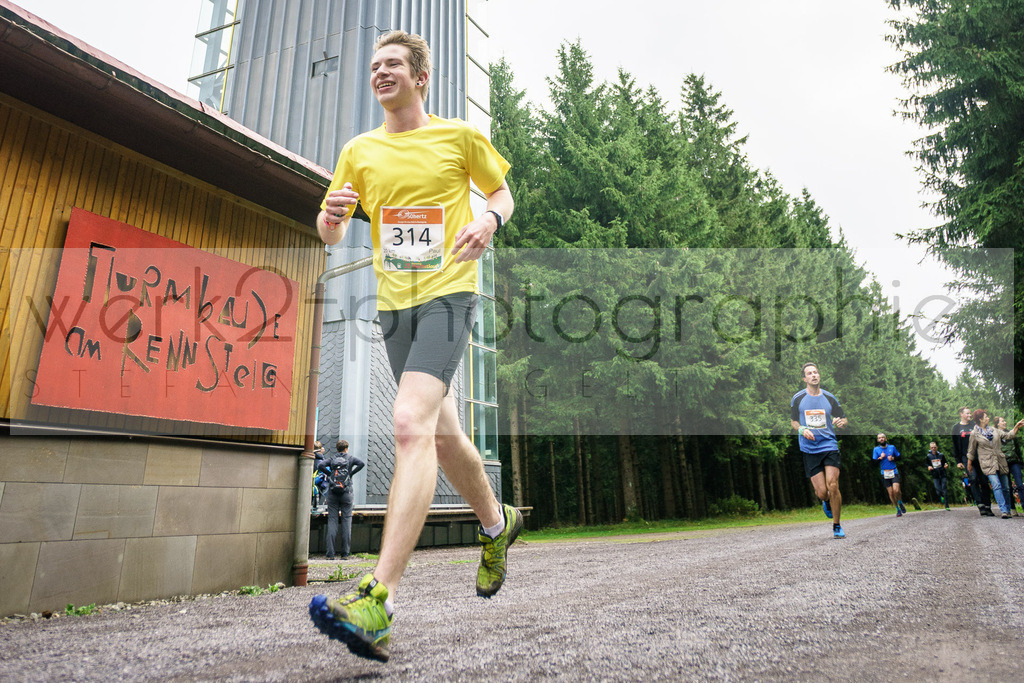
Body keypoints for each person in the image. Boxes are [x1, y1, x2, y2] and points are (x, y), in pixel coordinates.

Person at [307, 30, 521, 662]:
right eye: (375, 66)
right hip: (394, 305)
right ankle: (495, 522)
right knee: (444, 433)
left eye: (393, 64)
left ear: (420, 77)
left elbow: (503, 193)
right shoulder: (358, 151)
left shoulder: (460, 139)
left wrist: (488, 219)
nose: (381, 73)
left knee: (407, 425)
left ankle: (380, 597)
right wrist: (331, 217)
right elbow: (325, 229)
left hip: (450, 295)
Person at [790, 362, 848, 539]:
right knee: (823, 492)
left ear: (819, 375)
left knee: (833, 485)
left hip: (829, 445)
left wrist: (841, 422)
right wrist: (801, 429)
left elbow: (844, 418)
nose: (814, 375)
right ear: (804, 378)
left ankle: (837, 525)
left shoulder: (830, 398)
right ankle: (825, 501)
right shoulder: (798, 399)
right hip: (809, 448)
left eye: (816, 372)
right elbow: (793, 421)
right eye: (810, 373)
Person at [965, 410, 1024, 519]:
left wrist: (1016, 427)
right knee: (996, 485)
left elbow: (1008, 435)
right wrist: (969, 464)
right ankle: (1004, 510)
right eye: (986, 417)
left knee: (1006, 487)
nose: (988, 418)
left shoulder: (994, 430)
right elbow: (971, 450)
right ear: (980, 419)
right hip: (987, 463)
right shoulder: (974, 434)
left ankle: (1007, 507)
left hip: (1000, 461)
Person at [317, 440, 366, 559]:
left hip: (333, 493)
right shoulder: (350, 458)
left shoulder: (332, 459)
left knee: (332, 521)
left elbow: (320, 465)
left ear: (337, 448)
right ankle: (345, 553)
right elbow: (361, 464)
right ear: (346, 448)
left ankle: (330, 554)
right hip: (346, 493)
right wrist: (350, 473)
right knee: (346, 521)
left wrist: (330, 474)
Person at [952, 407, 991, 516]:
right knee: (973, 479)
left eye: (970, 413)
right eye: (967, 413)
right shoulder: (956, 428)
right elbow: (955, 445)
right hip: (966, 457)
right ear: (961, 414)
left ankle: (987, 505)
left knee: (983, 480)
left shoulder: (975, 425)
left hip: (979, 456)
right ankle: (980, 505)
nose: (969, 415)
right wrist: (958, 461)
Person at [995, 417, 1024, 516]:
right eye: (1002, 421)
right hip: (1003, 463)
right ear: (997, 424)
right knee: (1007, 487)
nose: (1005, 422)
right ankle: (1012, 508)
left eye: (1005, 420)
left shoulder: (1011, 433)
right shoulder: (995, 435)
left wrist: (1021, 461)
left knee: (1020, 485)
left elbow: (1017, 449)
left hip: (1014, 462)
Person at [872, 434, 905, 517]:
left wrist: (893, 458)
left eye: (882, 437)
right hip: (885, 473)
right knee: (891, 493)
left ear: (885, 438)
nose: (881, 439)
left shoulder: (892, 447)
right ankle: (897, 509)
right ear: (878, 440)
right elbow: (874, 463)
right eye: (879, 438)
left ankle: (900, 502)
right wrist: (880, 458)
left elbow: (899, 457)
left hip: (894, 471)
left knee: (896, 491)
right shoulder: (876, 449)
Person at [924, 441, 950, 511]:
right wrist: (929, 467)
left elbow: (945, 462)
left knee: (944, 488)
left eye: (934, 447)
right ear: (930, 448)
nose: (933, 449)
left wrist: (946, 465)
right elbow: (927, 464)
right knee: (938, 490)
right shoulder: (928, 456)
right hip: (935, 475)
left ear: (937, 447)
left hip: (943, 474)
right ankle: (941, 496)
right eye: (932, 447)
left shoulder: (941, 455)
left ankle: (946, 505)